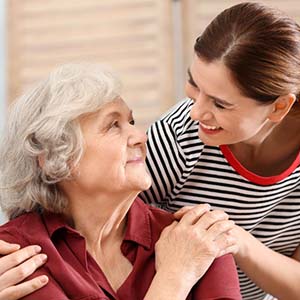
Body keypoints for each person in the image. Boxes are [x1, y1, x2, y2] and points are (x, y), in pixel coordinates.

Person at [1, 1, 300, 299]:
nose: (195, 112)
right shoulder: (28, 256)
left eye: (220, 103)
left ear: (279, 107)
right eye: (194, 85)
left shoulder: (199, 240)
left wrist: (226, 241)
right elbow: (54, 197)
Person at [0, 63, 241, 300]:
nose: (140, 137)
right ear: (53, 156)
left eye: (131, 123)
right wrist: (174, 276)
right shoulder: (18, 254)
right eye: (113, 126)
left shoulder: (199, 238)